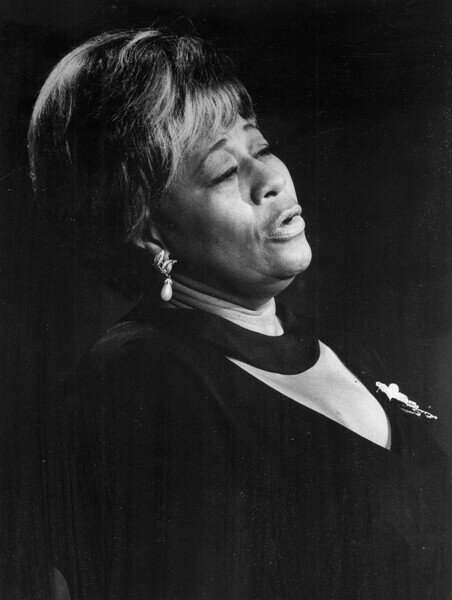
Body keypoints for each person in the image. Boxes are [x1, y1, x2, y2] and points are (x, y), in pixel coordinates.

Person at [28, 28, 450, 600]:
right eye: (225, 172)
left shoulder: (334, 341)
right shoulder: (137, 382)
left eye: (261, 146)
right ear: (146, 231)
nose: (272, 179)